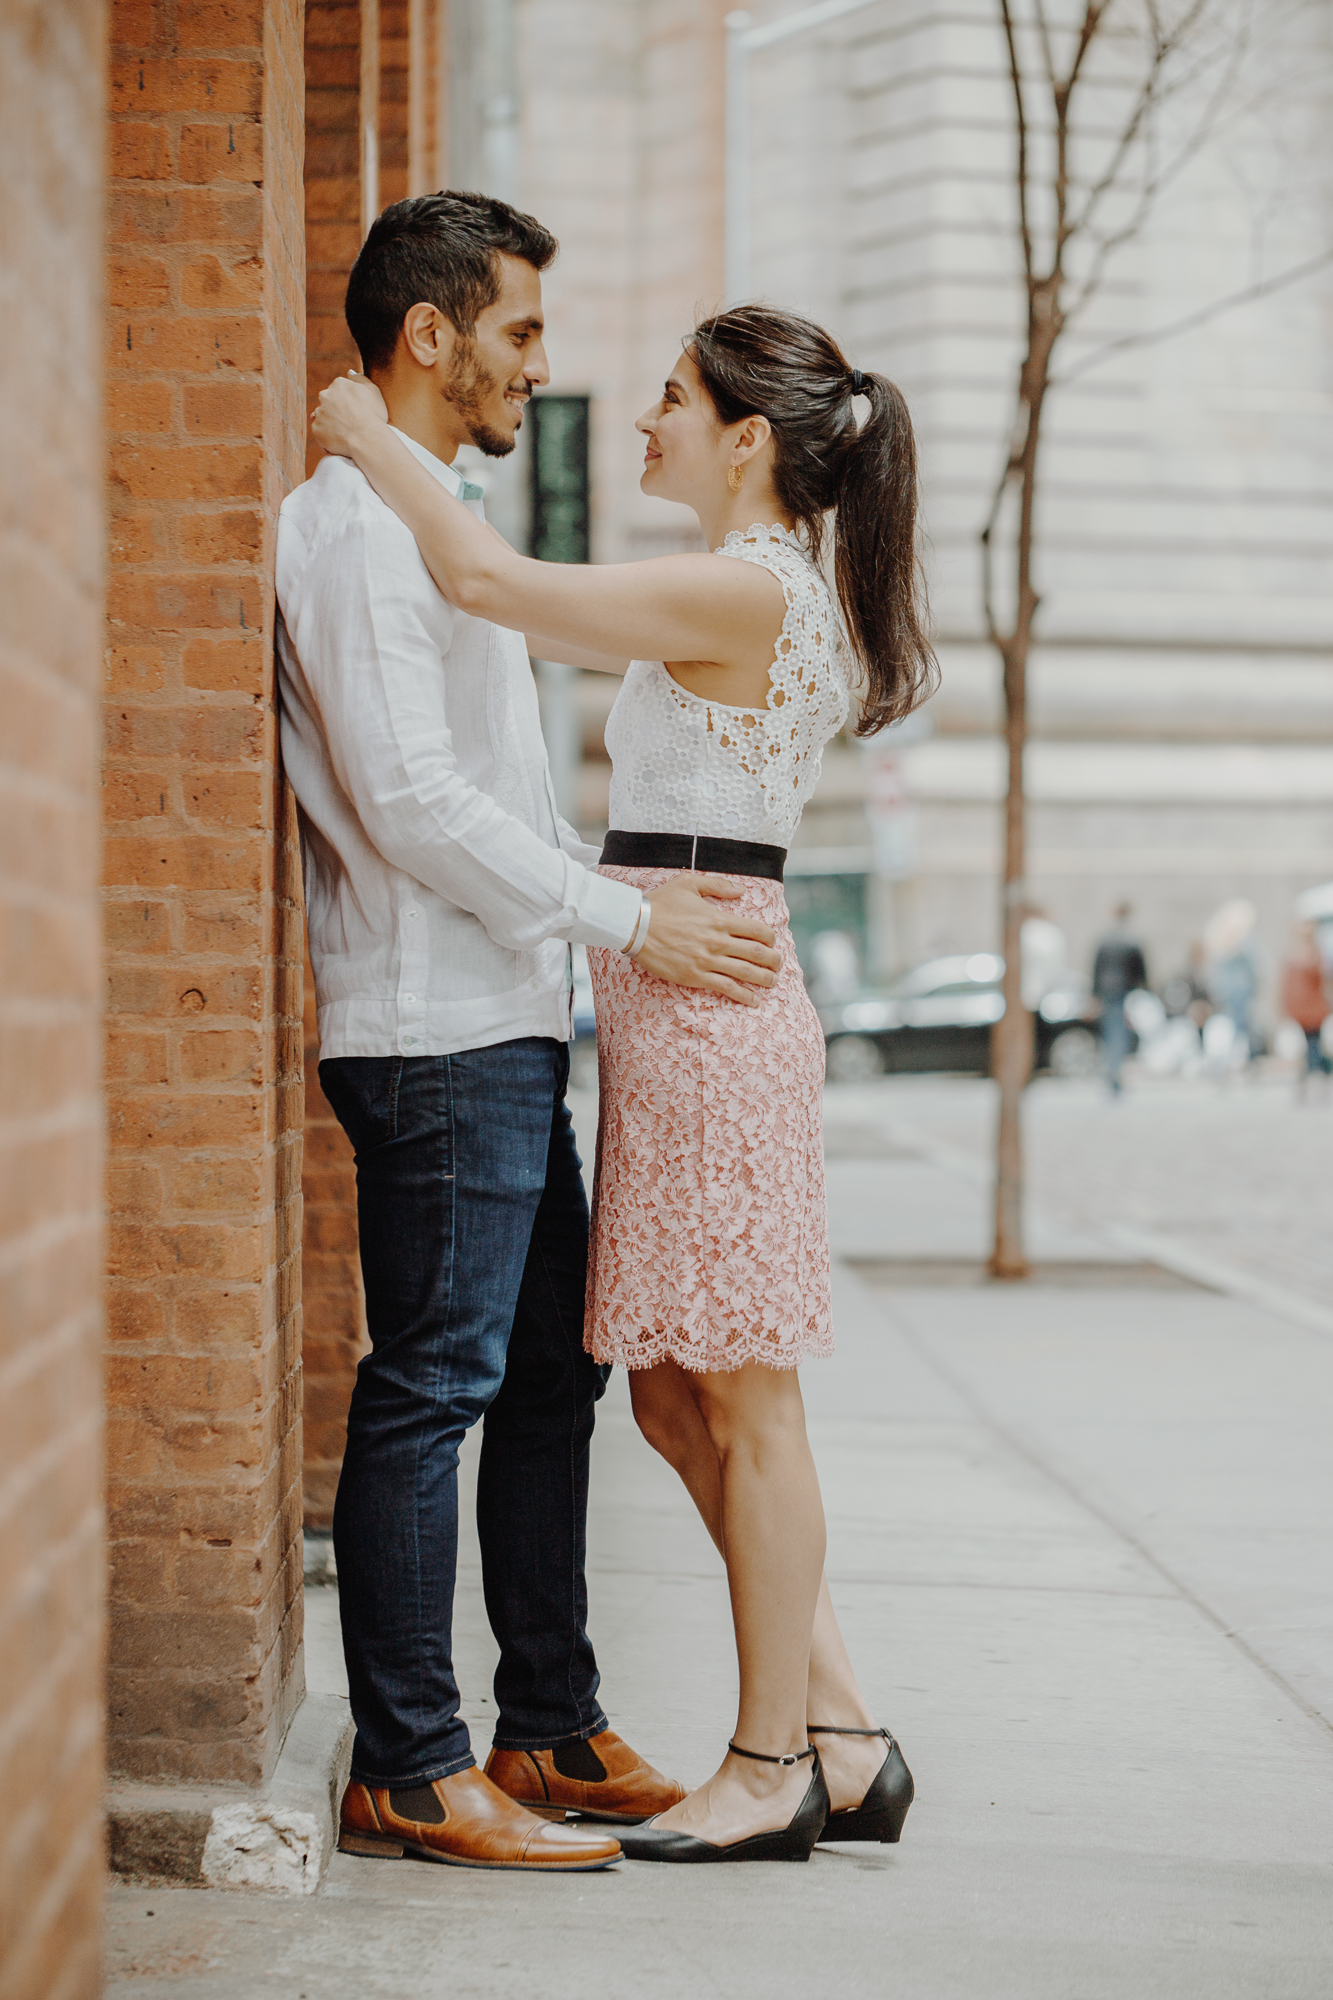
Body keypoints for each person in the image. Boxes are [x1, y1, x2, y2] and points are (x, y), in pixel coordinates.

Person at [313, 295, 935, 1863]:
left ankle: (772, 1757)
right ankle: (846, 1728)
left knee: (748, 1392)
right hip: (663, 1006)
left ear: (746, 439)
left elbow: (486, 579)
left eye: (667, 397)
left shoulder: (743, 583)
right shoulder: (745, 581)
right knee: (668, 1396)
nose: (639, 417)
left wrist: (364, 438)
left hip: (711, 1006)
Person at [278, 192, 786, 1874]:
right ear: (428, 336)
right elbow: (411, 799)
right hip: (429, 1026)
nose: (539, 369)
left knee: (554, 1375)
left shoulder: (433, 519)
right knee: (432, 1385)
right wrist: (623, 916)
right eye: (518, 333)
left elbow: (483, 781)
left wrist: (583, 930)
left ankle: (548, 1725)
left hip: (504, 1012)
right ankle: (409, 1765)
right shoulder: (353, 528)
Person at [1092, 902, 1148, 1095]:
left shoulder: (1106, 938)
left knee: (1110, 1030)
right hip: (1123, 989)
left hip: (1108, 990)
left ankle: (1111, 1067)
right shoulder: (1130, 938)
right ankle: (1114, 1069)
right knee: (1119, 1031)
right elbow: (1140, 967)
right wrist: (1144, 987)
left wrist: (1095, 993)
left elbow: (1097, 967)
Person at [1281, 921, 1331, 1098]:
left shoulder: (1316, 954)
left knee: (1314, 1046)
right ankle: (1309, 1081)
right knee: (1304, 1048)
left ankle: (1315, 1080)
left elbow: (1323, 980)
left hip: (1313, 1009)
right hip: (1300, 1010)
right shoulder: (1295, 955)